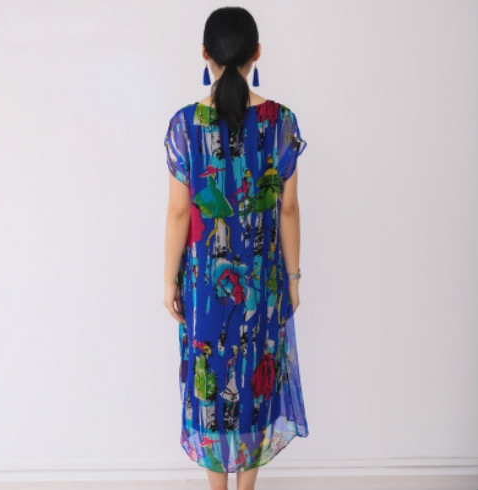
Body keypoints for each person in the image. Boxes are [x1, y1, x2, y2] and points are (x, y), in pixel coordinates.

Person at [164, 7, 309, 490]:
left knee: (210, 386)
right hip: (262, 284)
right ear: (257, 54)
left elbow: (179, 213)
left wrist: (168, 282)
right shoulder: (280, 122)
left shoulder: (185, 125)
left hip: (205, 287)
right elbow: (288, 209)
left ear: (204, 54)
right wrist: (293, 279)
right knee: (253, 380)